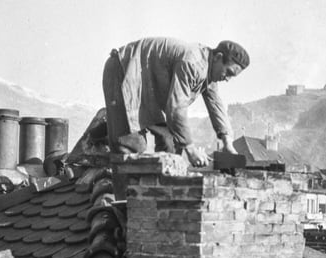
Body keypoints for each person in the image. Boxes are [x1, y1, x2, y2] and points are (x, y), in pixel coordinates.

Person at [102, 37, 250, 167]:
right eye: (228, 73)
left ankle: (161, 195)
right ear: (218, 57)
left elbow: (216, 105)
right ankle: (127, 198)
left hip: (149, 89)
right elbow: (176, 108)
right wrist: (191, 149)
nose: (228, 79)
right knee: (130, 145)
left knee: (171, 144)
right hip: (124, 71)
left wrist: (227, 143)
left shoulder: (209, 72)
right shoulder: (193, 62)